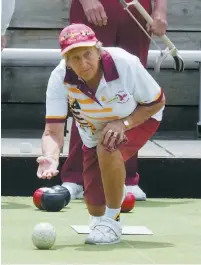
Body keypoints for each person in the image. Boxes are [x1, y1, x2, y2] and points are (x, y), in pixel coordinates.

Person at [36, 23, 165, 244]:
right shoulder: (59, 78)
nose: (83, 63)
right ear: (66, 60)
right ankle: (112, 198)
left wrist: (123, 123)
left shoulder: (125, 63)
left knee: (109, 144)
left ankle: (113, 220)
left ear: (98, 48)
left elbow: (157, 101)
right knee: (95, 207)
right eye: (75, 58)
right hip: (93, 134)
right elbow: (53, 131)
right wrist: (50, 157)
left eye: (87, 54)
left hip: (139, 118)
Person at [61, 0, 167, 200]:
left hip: (137, 7)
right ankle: (76, 177)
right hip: (94, 4)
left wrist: (161, 8)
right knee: (83, 89)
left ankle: (126, 176)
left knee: (130, 93)